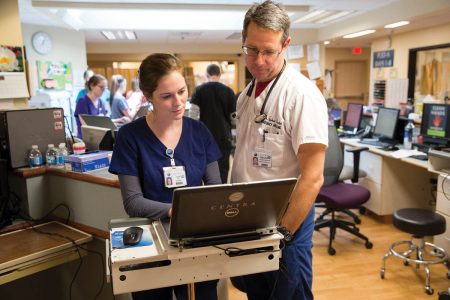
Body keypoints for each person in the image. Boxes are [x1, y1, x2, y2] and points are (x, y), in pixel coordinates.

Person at [231, 1, 328, 299]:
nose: (258, 61)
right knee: (256, 294)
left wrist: (282, 235)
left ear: (286, 44)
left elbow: (312, 178)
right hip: (252, 222)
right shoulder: (246, 95)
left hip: (286, 225)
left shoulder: (301, 95)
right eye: (251, 49)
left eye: (268, 51)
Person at [108, 53, 221, 300]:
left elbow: (215, 189)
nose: (179, 102)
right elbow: (133, 202)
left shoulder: (199, 132)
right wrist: (178, 210)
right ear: (148, 97)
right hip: (150, 243)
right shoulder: (130, 137)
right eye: (167, 96)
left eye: (182, 91)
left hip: (195, 239)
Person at [190, 64, 236, 183]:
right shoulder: (229, 92)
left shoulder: (199, 90)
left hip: (203, 139)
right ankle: (220, 198)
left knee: (203, 170)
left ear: (207, 75)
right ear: (220, 75)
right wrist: (234, 139)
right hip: (223, 138)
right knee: (222, 172)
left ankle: (206, 197)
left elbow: (193, 116)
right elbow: (234, 118)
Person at [74, 74, 110, 138]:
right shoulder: (83, 101)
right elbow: (85, 125)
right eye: (101, 87)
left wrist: (118, 120)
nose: (103, 90)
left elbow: (105, 120)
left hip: (98, 138)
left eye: (105, 88)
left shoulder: (100, 102)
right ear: (92, 86)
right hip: (86, 139)